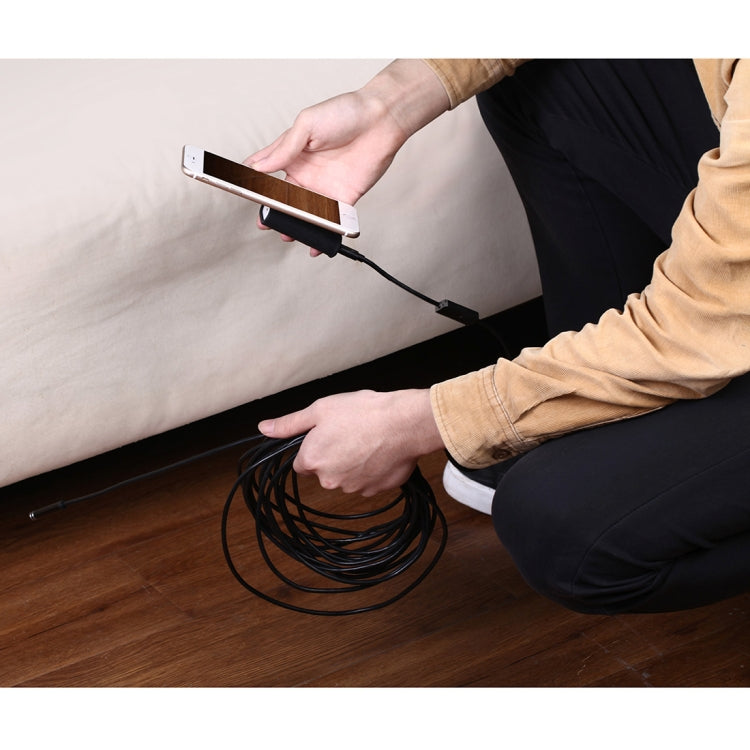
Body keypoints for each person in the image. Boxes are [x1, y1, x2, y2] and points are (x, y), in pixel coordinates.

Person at [245, 59, 750, 615]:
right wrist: (384, 106)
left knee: (557, 527)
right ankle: (604, 411)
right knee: (551, 71)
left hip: (713, 319)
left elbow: (700, 323)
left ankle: (639, 423)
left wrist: (433, 419)